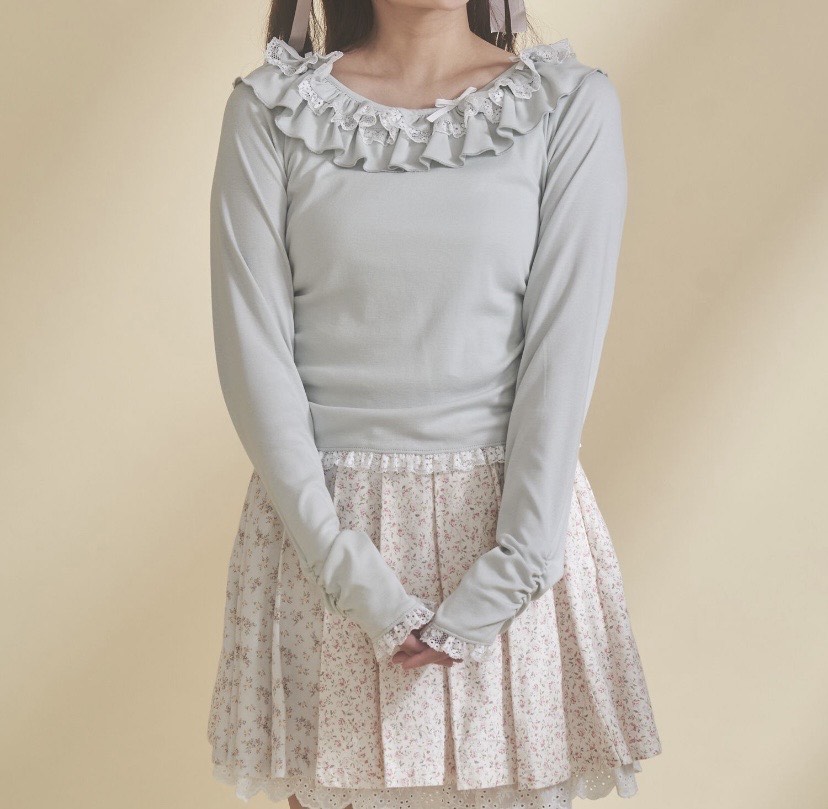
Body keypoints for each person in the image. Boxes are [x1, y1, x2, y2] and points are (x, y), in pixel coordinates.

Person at [205, 1, 663, 807]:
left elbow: (562, 356)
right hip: (327, 538)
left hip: (512, 535)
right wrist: (347, 572)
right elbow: (254, 359)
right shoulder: (269, 111)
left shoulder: (567, 105)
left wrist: (515, 570)